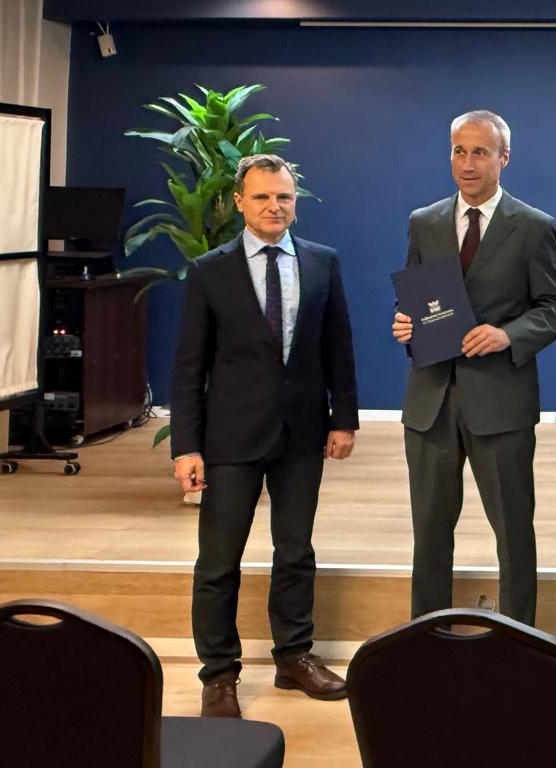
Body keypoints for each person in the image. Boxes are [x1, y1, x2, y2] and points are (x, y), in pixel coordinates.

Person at [170, 153, 358, 719]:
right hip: (230, 438)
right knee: (218, 562)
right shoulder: (210, 270)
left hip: (302, 434)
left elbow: (338, 346)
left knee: (296, 552)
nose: (274, 206)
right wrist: (186, 446)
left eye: (284, 197)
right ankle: (219, 674)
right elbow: (189, 366)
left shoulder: (323, 263)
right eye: (262, 197)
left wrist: (344, 418)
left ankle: (294, 657)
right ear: (239, 202)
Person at [393, 109, 556, 623]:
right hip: (430, 401)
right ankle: (425, 636)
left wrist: (507, 335)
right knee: (429, 532)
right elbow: (417, 300)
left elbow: (555, 307)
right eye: (458, 151)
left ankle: (519, 641)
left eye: (480, 152)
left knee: (513, 531)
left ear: (503, 158)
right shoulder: (424, 221)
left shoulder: (534, 227)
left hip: (500, 402)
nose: (467, 163)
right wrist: (404, 323)